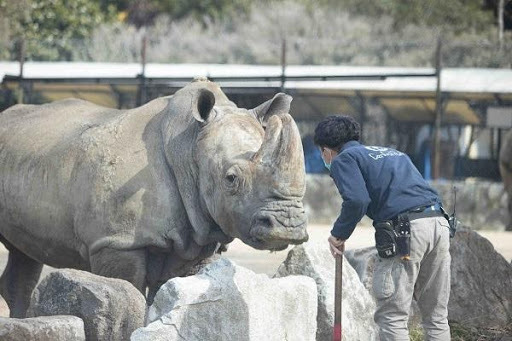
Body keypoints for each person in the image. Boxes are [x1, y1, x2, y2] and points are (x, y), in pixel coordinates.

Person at [314, 115, 451, 341]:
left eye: (322, 152)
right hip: (439, 223)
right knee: (436, 315)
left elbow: (357, 200)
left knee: (392, 316)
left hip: (407, 231)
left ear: (326, 150)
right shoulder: (394, 154)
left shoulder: (344, 159)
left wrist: (338, 234)